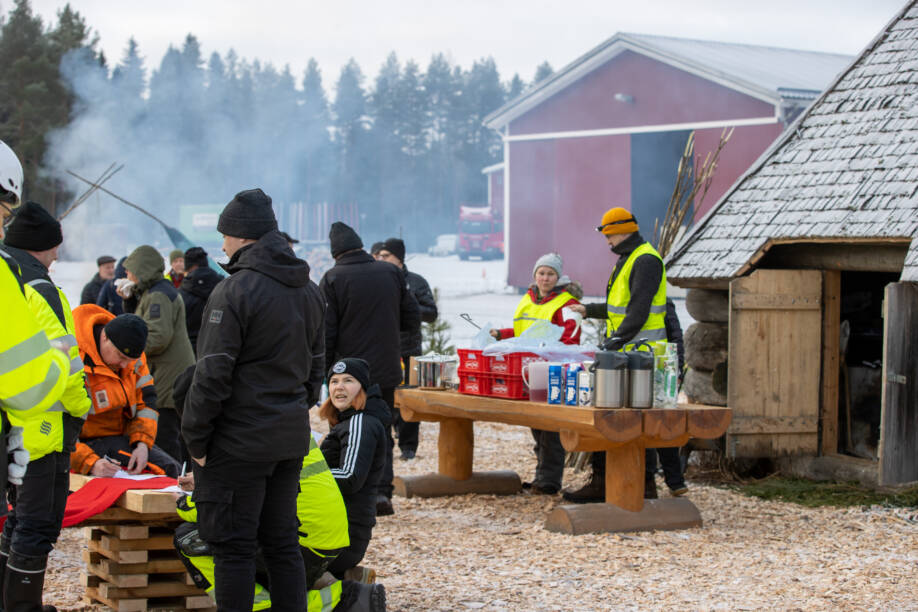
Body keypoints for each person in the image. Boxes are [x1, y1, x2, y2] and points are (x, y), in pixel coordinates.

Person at [182, 188, 326, 612]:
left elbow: (211, 373)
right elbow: (316, 369)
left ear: (241, 236)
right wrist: (293, 410)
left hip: (237, 442)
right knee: (281, 544)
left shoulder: (235, 291)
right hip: (287, 438)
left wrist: (196, 440)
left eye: (224, 235)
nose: (221, 244)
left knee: (233, 548)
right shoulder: (309, 289)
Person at [169, 366, 384, 611]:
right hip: (326, 537)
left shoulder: (234, 435)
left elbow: (224, 508)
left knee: (193, 537)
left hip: (304, 541)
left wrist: (183, 503)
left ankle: (339, 599)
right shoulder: (268, 417)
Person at [0, 201, 92, 612]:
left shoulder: (9, 276)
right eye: (55, 246)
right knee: (37, 524)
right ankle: (22, 607)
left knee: (18, 518)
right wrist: (82, 406)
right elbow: (67, 363)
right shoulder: (40, 287)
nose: (58, 254)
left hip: (12, 419)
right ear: (43, 246)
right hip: (44, 423)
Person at [562, 207, 668, 504]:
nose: (606, 242)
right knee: (616, 416)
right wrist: (589, 310)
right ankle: (612, 482)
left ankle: (639, 485)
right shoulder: (629, 258)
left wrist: (614, 342)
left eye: (608, 235)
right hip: (628, 351)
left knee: (631, 419)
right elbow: (619, 306)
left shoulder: (644, 260)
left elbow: (638, 309)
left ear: (621, 232)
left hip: (641, 353)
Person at [319, 223, 420, 516]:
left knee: (344, 431)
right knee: (381, 429)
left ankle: (348, 494)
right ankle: (380, 494)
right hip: (386, 368)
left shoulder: (333, 277)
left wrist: (327, 374)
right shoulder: (390, 272)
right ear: (361, 246)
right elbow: (412, 317)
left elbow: (327, 331)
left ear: (335, 252)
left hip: (347, 373)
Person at [487, 252, 582, 495]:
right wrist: (503, 335)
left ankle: (549, 480)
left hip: (553, 369)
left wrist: (550, 352)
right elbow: (523, 332)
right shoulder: (528, 300)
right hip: (529, 369)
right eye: (541, 273)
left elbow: (571, 337)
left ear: (558, 277)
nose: (545, 278)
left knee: (549, 425)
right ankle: (542, 477)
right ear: (535, 275)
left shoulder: (566, 303)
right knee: (536, 424)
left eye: (550, 274)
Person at [70, 305, 180, 478]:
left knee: (172, 471)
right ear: (105, 337)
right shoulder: (72, 359)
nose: (123, 365)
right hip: (82, 443)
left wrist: (142, 443)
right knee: (166, 472)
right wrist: (89, 462)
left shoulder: (133, 359)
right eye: (120, 357)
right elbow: (58, 427)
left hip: (122, 438)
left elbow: (147, 402)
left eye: (128, 360)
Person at [121, 245, 195, 462]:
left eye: (130, 270)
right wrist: (129, 300)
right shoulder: (153, 292)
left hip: (167, 375)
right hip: (166, 372)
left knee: (164, 434)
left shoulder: (159, 296)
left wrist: (125, 350)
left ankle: (170, 483)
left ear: (142, 270)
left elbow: (157, 337)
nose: (127, 275)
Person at [318, 359, 388, 581]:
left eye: (348, 381)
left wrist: (300, 475)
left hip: (344, 536)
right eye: (334, 381)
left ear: (363, 388)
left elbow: (350, 476)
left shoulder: (361, 423)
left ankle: (341, 590)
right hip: (330, 527)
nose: (339, 387)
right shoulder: (346, 421)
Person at [373, 237, 438, 460]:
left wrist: (407, 303)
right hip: (382, 350)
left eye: (385, 256)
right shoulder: (375, 280)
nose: (380, 260)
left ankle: (409, 446)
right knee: (383, 398)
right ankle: (385, 444)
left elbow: (431, 313)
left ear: (398, 259)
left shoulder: (416, 282)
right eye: (377, 256)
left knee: (410, 399)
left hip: (409, 350)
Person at [645, 299, 688, 498]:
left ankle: (674, 479)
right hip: (640, 368)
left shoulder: (664, 303)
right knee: (644, 426)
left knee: (663, 425)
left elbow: (675, 336)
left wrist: (677, 366)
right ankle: (649, 478)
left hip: (663, 370)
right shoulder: (629, 301)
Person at [177, 247, 223, 354]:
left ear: (188, 268)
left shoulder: (181, 294)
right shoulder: (224, 287)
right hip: (219, 351)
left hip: (188, 353)